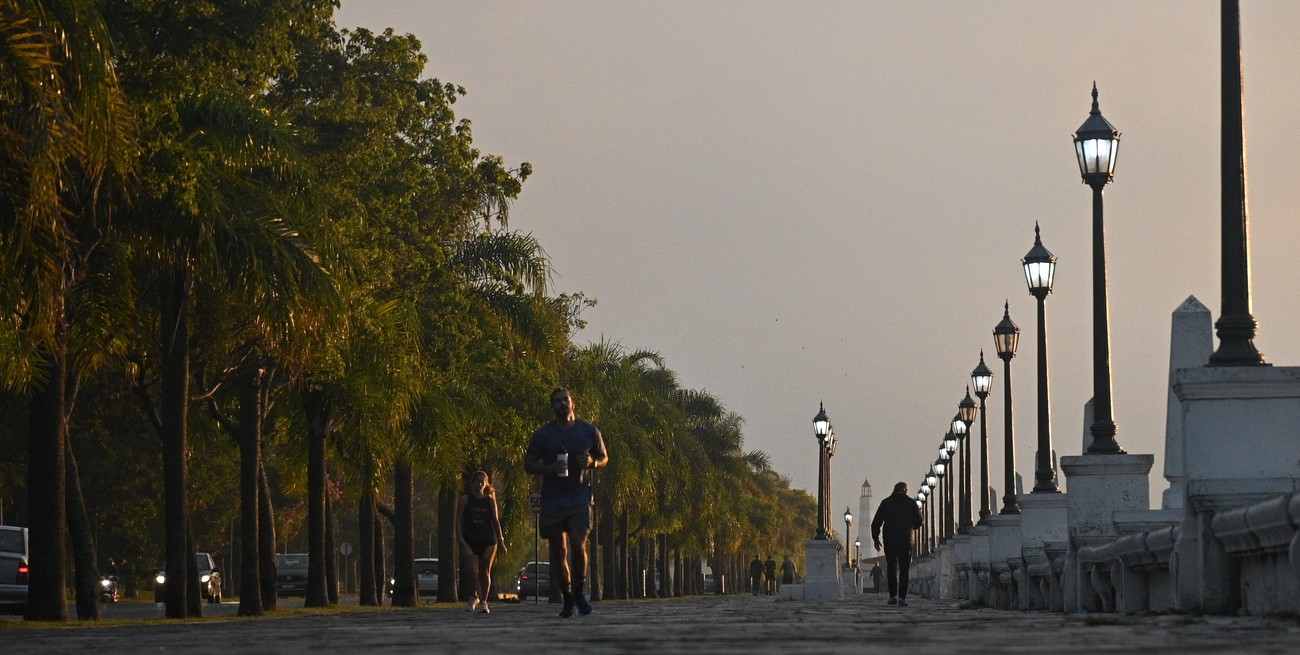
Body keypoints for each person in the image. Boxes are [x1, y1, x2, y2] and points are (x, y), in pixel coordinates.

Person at [524, 387, 609, 618]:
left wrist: (592, 461)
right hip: (553, 499)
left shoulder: (589, 431)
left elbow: (604, 457)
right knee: (558, 550)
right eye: (557, 401)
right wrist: (548, 468)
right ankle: (567, 596)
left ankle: (580, 592)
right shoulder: (544, 435)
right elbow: (529, 464)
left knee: (577, 541)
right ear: (552, 406)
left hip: (579, 497)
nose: (562, 403)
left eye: (565, 399)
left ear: (573, 403)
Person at [456, 470, 506, 613]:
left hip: (488, 540)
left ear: (486, 484)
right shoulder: (465, 499)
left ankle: (484, 601)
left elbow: (496, 521)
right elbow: (458, 520)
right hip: (470, 540)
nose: (479, 484)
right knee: (471, 571)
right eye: (476, 481)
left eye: (482, 481)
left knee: (485, 571)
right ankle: (473, 597)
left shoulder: (490, 500)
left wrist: (501, 540)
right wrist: (460, 539)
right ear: (472, 483)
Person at [871, 481, 923, 607]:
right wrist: (912, 526)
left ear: (894, 490)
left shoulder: (886, 503)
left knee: (891, 568)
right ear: (905, 490)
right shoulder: (911, 503)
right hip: (905, 540)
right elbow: (919, 521)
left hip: (890, 540)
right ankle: (902, 598)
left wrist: (876, 539)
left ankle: (893, 596)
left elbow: (876, 522)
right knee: (904, 569)